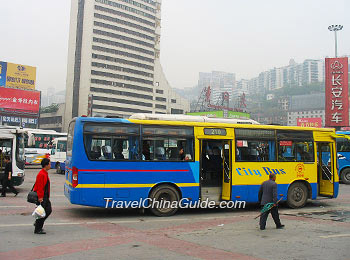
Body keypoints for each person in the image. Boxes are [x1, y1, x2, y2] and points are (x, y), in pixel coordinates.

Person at [33, 158, 52, 234]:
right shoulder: (42, 174)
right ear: (46, 165)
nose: (50, 165)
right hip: (42, 196)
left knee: (47, 211)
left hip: (45, 196)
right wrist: (40, 198)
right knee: (43, 212)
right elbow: (40, 187)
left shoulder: (44, 173)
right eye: (49, 164)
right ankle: (38, 228)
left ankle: (38, 224)